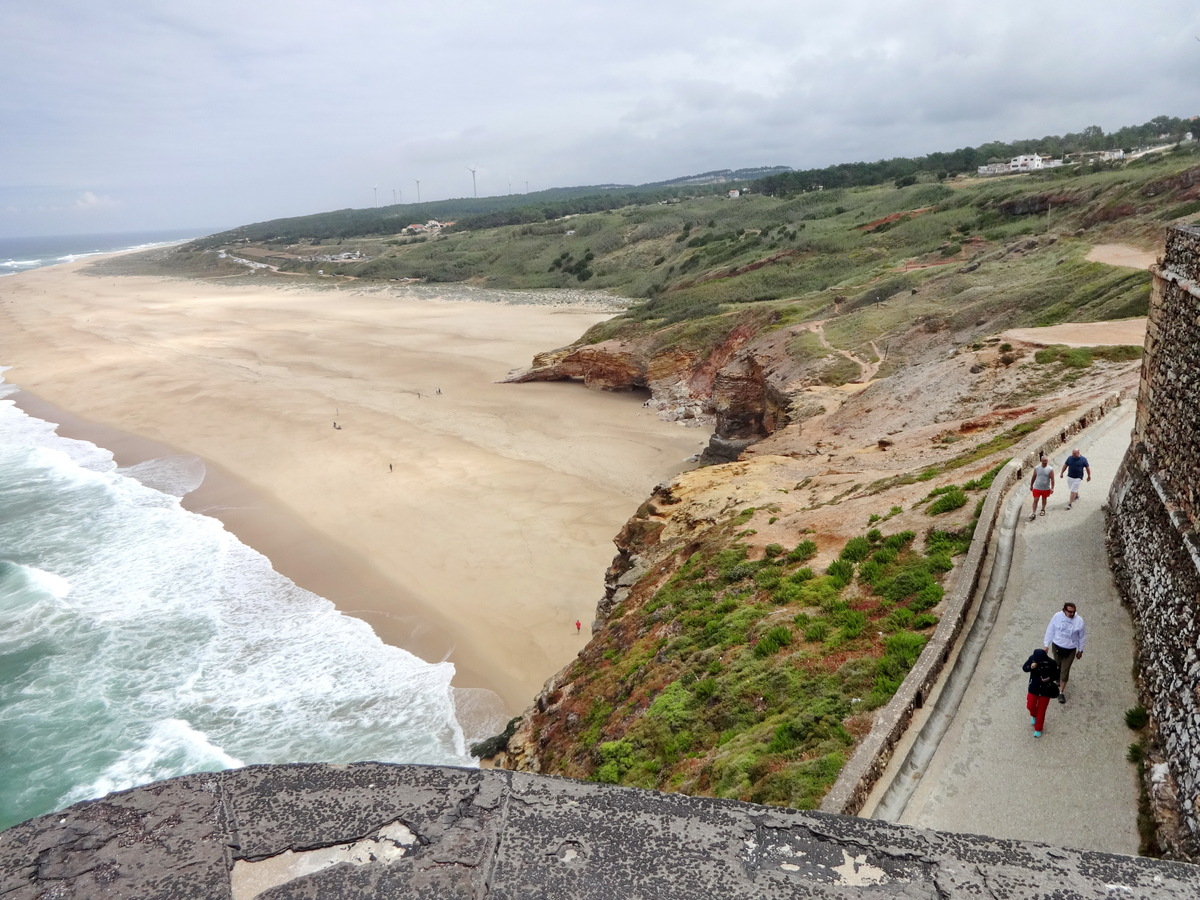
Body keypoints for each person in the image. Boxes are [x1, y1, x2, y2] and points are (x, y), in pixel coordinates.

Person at [1043, 602, 1086, 703]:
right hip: (1057, 646)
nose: (1072, 614)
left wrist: (1080, 650)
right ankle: (1057, 678)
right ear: (1064, 610)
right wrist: (1046, 644)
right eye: (1070, 612)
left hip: (1070, 649)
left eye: (1073, 612)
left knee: (1065, 671)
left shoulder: (1079, 621)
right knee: (1057, 666)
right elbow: (1050, 629)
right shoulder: (1057, 617)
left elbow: (1082, 636)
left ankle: (1060, 692)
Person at [1022, 648, 1061, 737]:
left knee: (1041, 710)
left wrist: (1049, 678)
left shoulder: (1051, 663)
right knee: (1030, 705)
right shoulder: (1032, 659)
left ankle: (1038, 728)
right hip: (1034, 688)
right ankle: (1033, 715)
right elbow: (1024, 668)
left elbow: (1056, 675)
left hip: (1045, 690)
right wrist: (1030, 667)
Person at [1028, 454, 1055, 521]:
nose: (1045, 463)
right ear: (1041, 461)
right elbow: (1034, 477)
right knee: (1035, 500)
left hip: (1046, 488)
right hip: (1037, 487)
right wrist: (1031, 485)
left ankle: (1043, 509)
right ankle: (1033, 513)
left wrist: (1052, 488)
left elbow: (1052, 479)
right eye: (1043, 462)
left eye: (1046, 462)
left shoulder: (1050, 469)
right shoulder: (1037, 468)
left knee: (1044, 499)